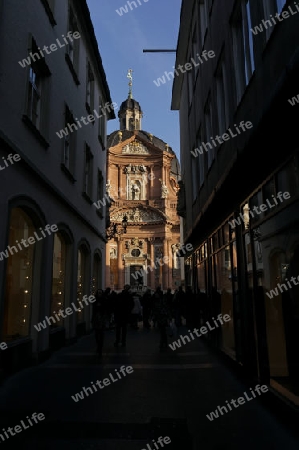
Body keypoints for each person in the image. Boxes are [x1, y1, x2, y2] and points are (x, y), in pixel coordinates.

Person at [91, 289, 109, 358]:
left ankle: (100, 346)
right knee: (96, 333)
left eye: (100, 293)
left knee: (101, 333)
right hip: (96, 318)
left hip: (102, 318)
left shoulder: (104, 299)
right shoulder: (94, 300)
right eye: (98, 293)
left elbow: (106, 308)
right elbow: (93, 309)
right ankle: (98, 344)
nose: (99, 294)